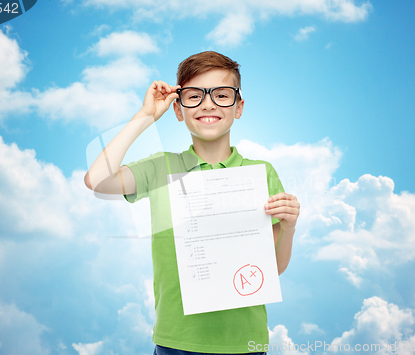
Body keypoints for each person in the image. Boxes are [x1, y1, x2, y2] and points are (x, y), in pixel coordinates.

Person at [84, 51, 300, 355]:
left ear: (238, 107)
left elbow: (273, 267)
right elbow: (98, 180)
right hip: (177, 342)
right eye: (195, 96)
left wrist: (289, 228)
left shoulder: (261, 173)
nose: (208, 104)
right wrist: (146, 115)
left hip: (244, 343)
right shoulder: (162, 168)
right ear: (178, 109)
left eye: (222, 95)